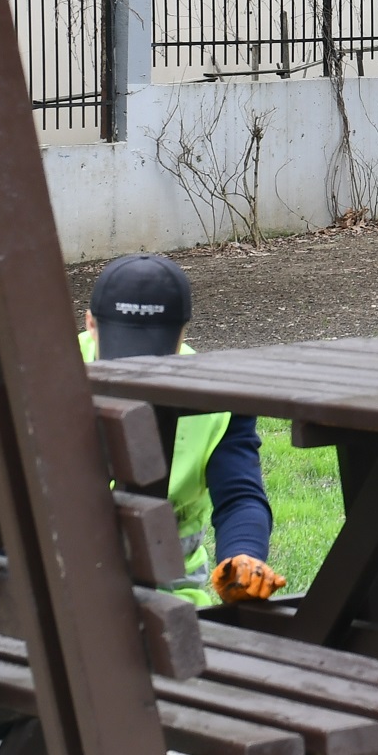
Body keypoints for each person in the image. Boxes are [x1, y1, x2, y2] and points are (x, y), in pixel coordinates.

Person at [83, 252, 279, 604]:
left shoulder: (217, 398)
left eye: (154, 355)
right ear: (90, 325)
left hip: (167, 596)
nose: (137, 371)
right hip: (64, 588)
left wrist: (242, 557)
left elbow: (238, 498)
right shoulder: (46, 375)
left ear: (182, 335)